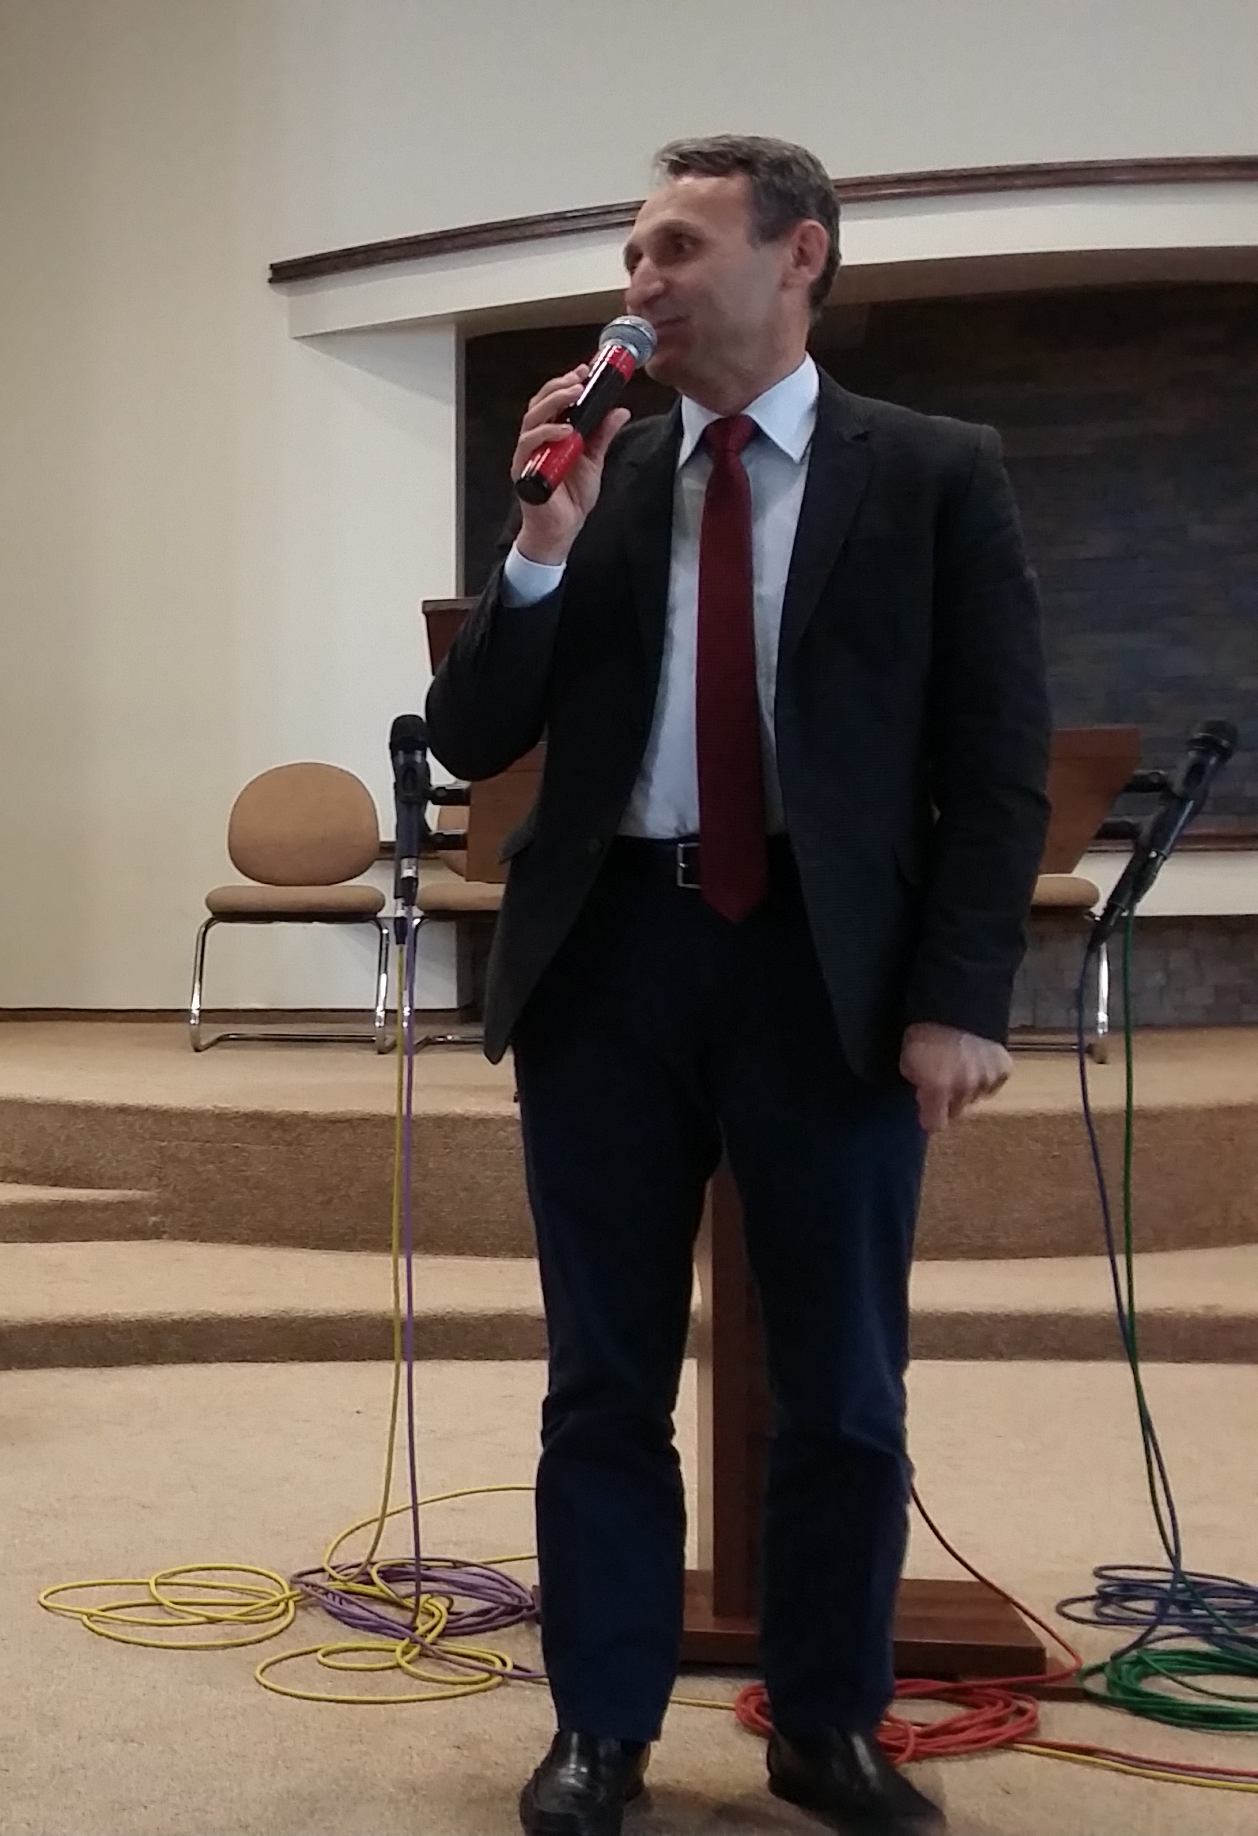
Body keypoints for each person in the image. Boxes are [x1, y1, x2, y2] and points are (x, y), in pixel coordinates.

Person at [428, 137, 1046, 1836]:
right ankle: (601, 1725)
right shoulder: (599, 473)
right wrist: (538, 539)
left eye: (677, 247)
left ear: (800, 257)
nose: (640, 280)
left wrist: (959, 994)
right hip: (608, 963)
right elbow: (473, 734)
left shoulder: (931, 472)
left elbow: (994, 762)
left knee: (839, 1385)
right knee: (600, 1378)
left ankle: (825, 1722)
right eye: (632, 251)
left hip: (822, 972)